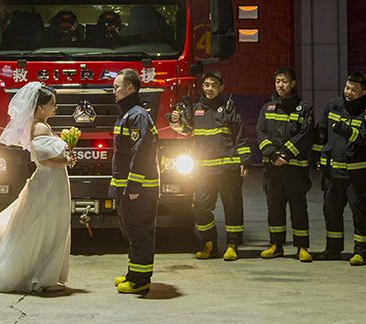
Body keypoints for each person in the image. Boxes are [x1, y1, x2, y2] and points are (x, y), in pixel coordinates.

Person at [0, 83, 74, 292]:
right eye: (52, 104)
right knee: (47, 227)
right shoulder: (40, 127)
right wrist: (66, 161)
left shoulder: (40, 125)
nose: (55, 107)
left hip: (51, 182)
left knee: (41, 227)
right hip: (48, 183)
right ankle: (43, 278)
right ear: (40, 107)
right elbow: (44, 161)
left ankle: (42, 274)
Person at [170, 70, 251, 261]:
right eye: (206, 85)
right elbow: (183, 129)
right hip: (203, 172)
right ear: (202, 87)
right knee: (199, 207)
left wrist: (245, 160)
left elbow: (240, 136)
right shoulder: (195, 110)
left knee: (233, 209)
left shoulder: (229, 109)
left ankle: (232, 245)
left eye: (214, 85)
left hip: (228, 170)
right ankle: (210, 244)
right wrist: (175, 119)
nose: (209, 88)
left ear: (221, 87)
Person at [311, 72, 366, 265]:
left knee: (361, 213)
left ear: (364, 92)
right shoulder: (333, 105)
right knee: (331, 211)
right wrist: (317, 155)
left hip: (356, 174)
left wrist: (345, 130)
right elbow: (321, 132)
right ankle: (333, 249)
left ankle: (361, 252)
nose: (348, 92)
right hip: (332, 173)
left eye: (354, 89)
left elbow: (365, 139)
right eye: (347, 87)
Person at [256, 67, 315, 262]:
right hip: (273, 169)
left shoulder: (304, 108)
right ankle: (276, 245)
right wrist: (273, 155)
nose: (281, 85)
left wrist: (286, 154)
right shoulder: (268, 108)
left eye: (284, 81)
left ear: (293, 83)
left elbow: (305, 135)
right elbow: (261, 133)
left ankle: (302, 247)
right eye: (278, 81)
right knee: (274, 208)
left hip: (295, 169)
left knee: (298, 208)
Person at [111, 68, 159, 294]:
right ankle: (134, 273)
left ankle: (140, 280)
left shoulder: (137, 115)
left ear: (131, 87)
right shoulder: (127, 113)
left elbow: (142, 153)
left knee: (139, 232)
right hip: (130, 188)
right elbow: (121, 155)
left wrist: (133, 186)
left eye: (117, 87)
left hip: (139, 190)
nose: (114, 91)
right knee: (131, 231)